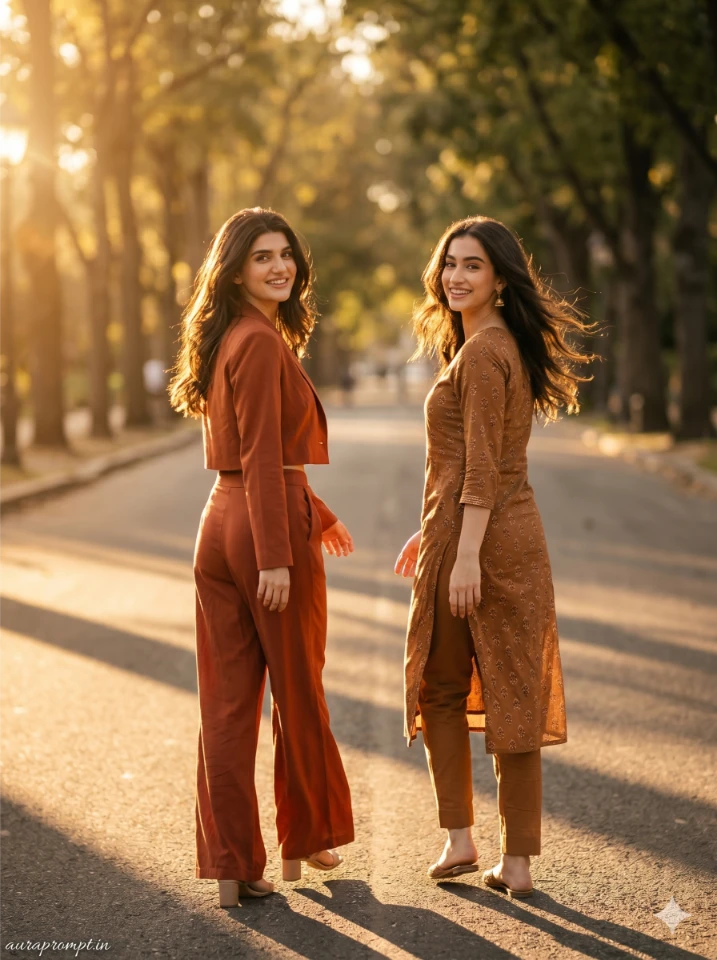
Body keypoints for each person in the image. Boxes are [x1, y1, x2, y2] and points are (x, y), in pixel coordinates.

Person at [394, 215, 593, 897]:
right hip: (491, 532)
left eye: (472, 265)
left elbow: (482, 469)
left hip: (480, 540)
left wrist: (464, 555)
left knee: (440, 685)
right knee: (512, 694)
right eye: (449, 262)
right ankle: (514, 862)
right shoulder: (493, 344)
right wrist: (431, 533)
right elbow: (481, 466)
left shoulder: (482, 352)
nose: (455, 275)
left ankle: (461, 838)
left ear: (500, 279)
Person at [170, 207, 355, 907]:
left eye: (285, 255)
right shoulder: (258, 340)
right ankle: (306, 837)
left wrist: (319, 514)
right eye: (262, 258)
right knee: (297, 690)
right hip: (260, 534)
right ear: (236, 270)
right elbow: (261, 454)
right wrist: (277, 557)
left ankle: (231, 864)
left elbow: (249, 457)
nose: (280, 266)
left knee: (224, 702)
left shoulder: (229, 337)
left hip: (221, 522)